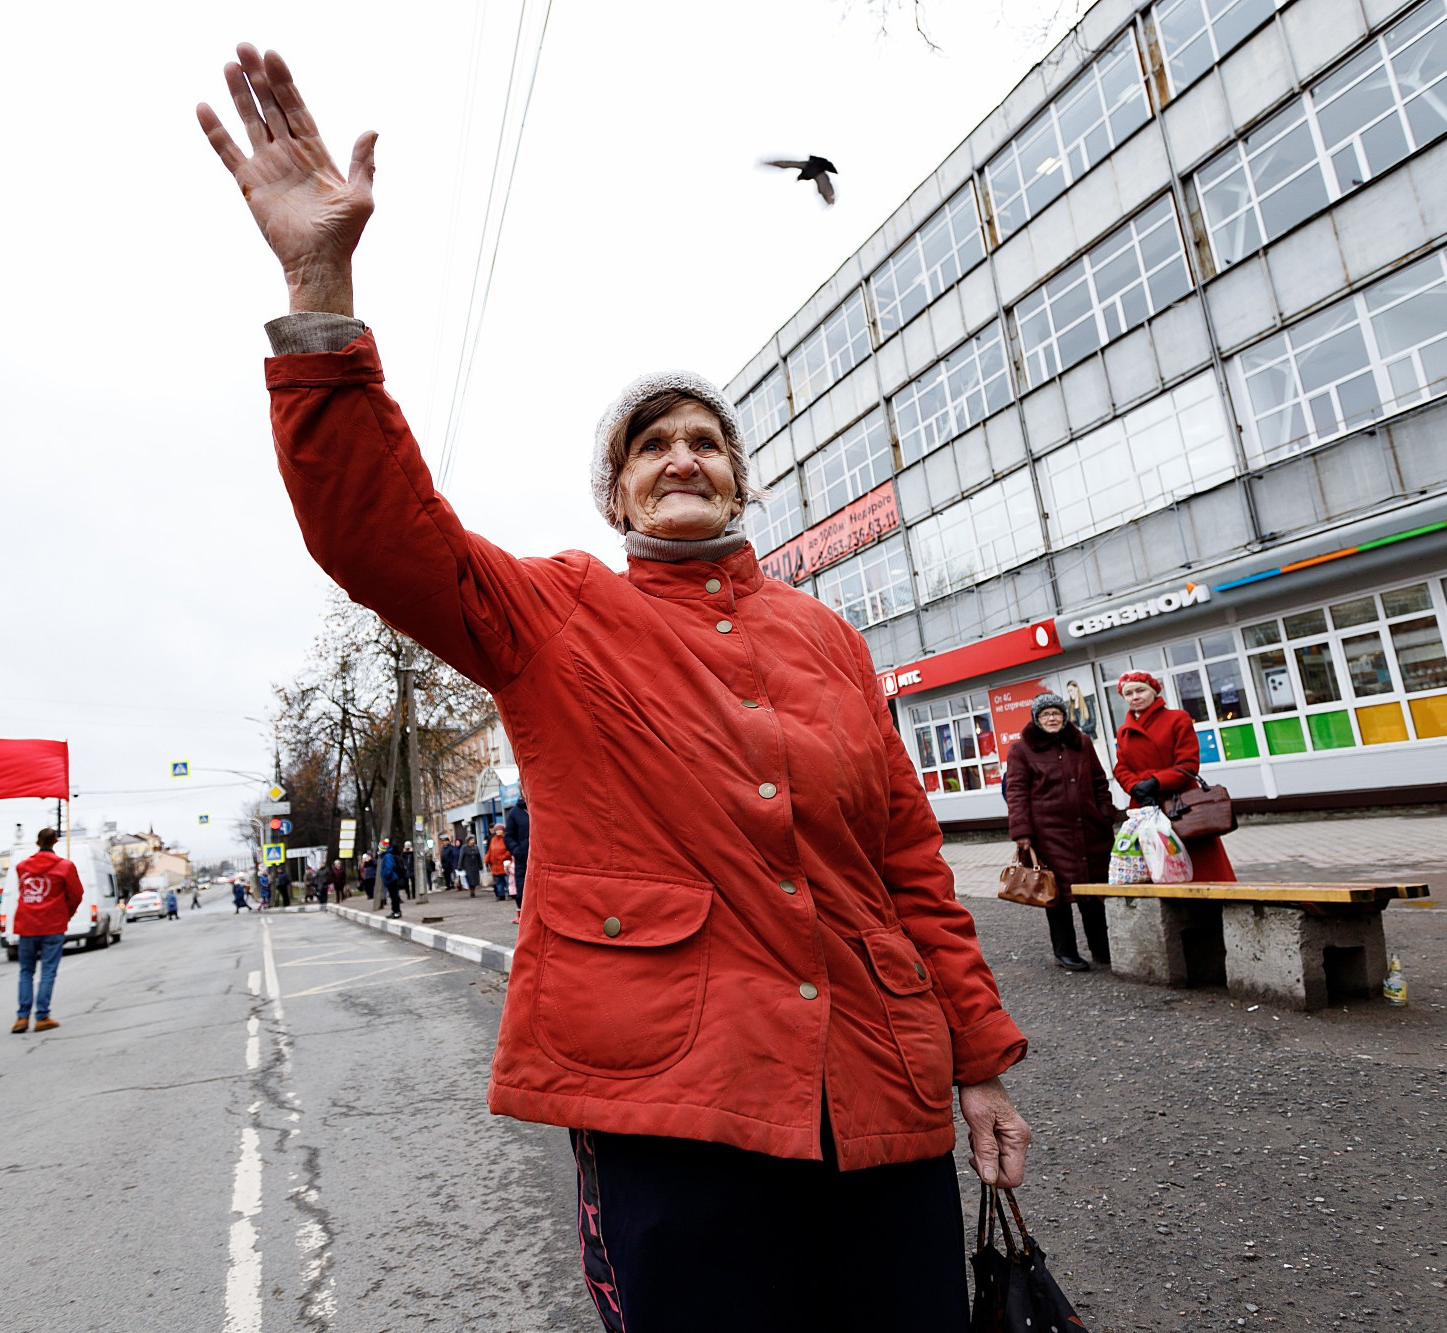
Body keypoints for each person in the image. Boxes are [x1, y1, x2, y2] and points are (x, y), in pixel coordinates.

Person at [198, 47, 1031, 1328]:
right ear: (616, 493)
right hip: (677, 1111)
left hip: (883, 1096)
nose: (681, 456)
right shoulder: (557, 612)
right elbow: (375, 531)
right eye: (651, 445)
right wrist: (320, 295)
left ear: (739, 480)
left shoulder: (827, 639)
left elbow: (908, 867)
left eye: (705, 440)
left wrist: (976, 1061)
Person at [1005, 693, 1116, 971]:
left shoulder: (1082, 742)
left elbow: (1100, 781)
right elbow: (1016, 792)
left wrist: (1105, 815)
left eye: (1056, 713)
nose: (1052, 718)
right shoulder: (1021, 749)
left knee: (1092, 891)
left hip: (1088, 830)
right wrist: (1022, 831)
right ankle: (1065, 952)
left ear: (1065, 717)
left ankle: (1102, 949)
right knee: (1056, 893)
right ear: (1036, 719)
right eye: (1045, 714)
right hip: (1048, 834)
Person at [1112, 671, 1236, 882]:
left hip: (1181, 803)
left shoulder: (1177, 718)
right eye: (1129, 693)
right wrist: (1135, 787)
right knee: (1159, 868)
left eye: (1140, 690)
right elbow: (1121, 767)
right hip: (1146, 805)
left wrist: (1156, 782)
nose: (1135, 697)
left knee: (1202, 866)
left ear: (1153, 692)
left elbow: (1188, 763)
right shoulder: (1124, 731)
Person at [11, 828, 83, 1034]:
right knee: (48, 971)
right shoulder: (65, 867)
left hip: (26, 925)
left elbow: (24, 891)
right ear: (55, 841)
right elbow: (76, 894)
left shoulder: (22, 867)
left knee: (26, 971)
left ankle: (22, 1017)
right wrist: (66, 914)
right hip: (52, 925)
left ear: (37, 843)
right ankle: (42, 1016)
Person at [503, 795, 530, 924]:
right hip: (523, 858)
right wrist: (518, 851)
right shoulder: (515, 813)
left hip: (542, 856)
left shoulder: (540, 807)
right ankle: (524, 916)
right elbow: (508, 837)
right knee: (523, 886)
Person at [377, 840, 405, 919]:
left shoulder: (387, 856)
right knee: (393, 896)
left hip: (391, 879)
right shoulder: (386, 856)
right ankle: (395, 911)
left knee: (394, 896)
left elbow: (389, 867)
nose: (379, 850)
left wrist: (387, 876)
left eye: (380, 849)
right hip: (390, 879)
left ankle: (396, 912)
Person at [485, 826, 509, 902]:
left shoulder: (506, 839)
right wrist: (486, 859)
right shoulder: (493, 840)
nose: (498, 831)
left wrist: (503, 857)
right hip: (495, 865)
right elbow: (490, 851)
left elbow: (509, 850)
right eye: (497, 830)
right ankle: (501, 895)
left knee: (507, 880)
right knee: (498, 881)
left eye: (500, 830)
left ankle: (510, 894)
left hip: (504, 864)